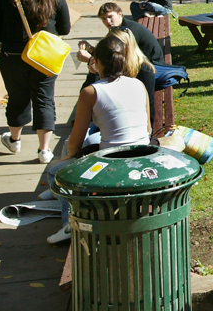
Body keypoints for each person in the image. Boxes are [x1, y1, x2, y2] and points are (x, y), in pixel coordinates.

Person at [43, 32, 151, 244]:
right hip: (142, 151)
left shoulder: (91, 92)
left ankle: (69, 224)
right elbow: (146, 127)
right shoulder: (138, 84)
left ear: (97, 61)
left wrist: (65, 160)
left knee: (58, 172)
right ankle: (60, 200)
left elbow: (75, 141)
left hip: (112, 160)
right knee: (87, 144)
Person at [0, 0, 72, 164]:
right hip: (44, 57)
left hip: (13, 55)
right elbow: (65, 29)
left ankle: (14, 141)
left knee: (17, 97)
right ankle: (44, 150)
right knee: (44, 98)